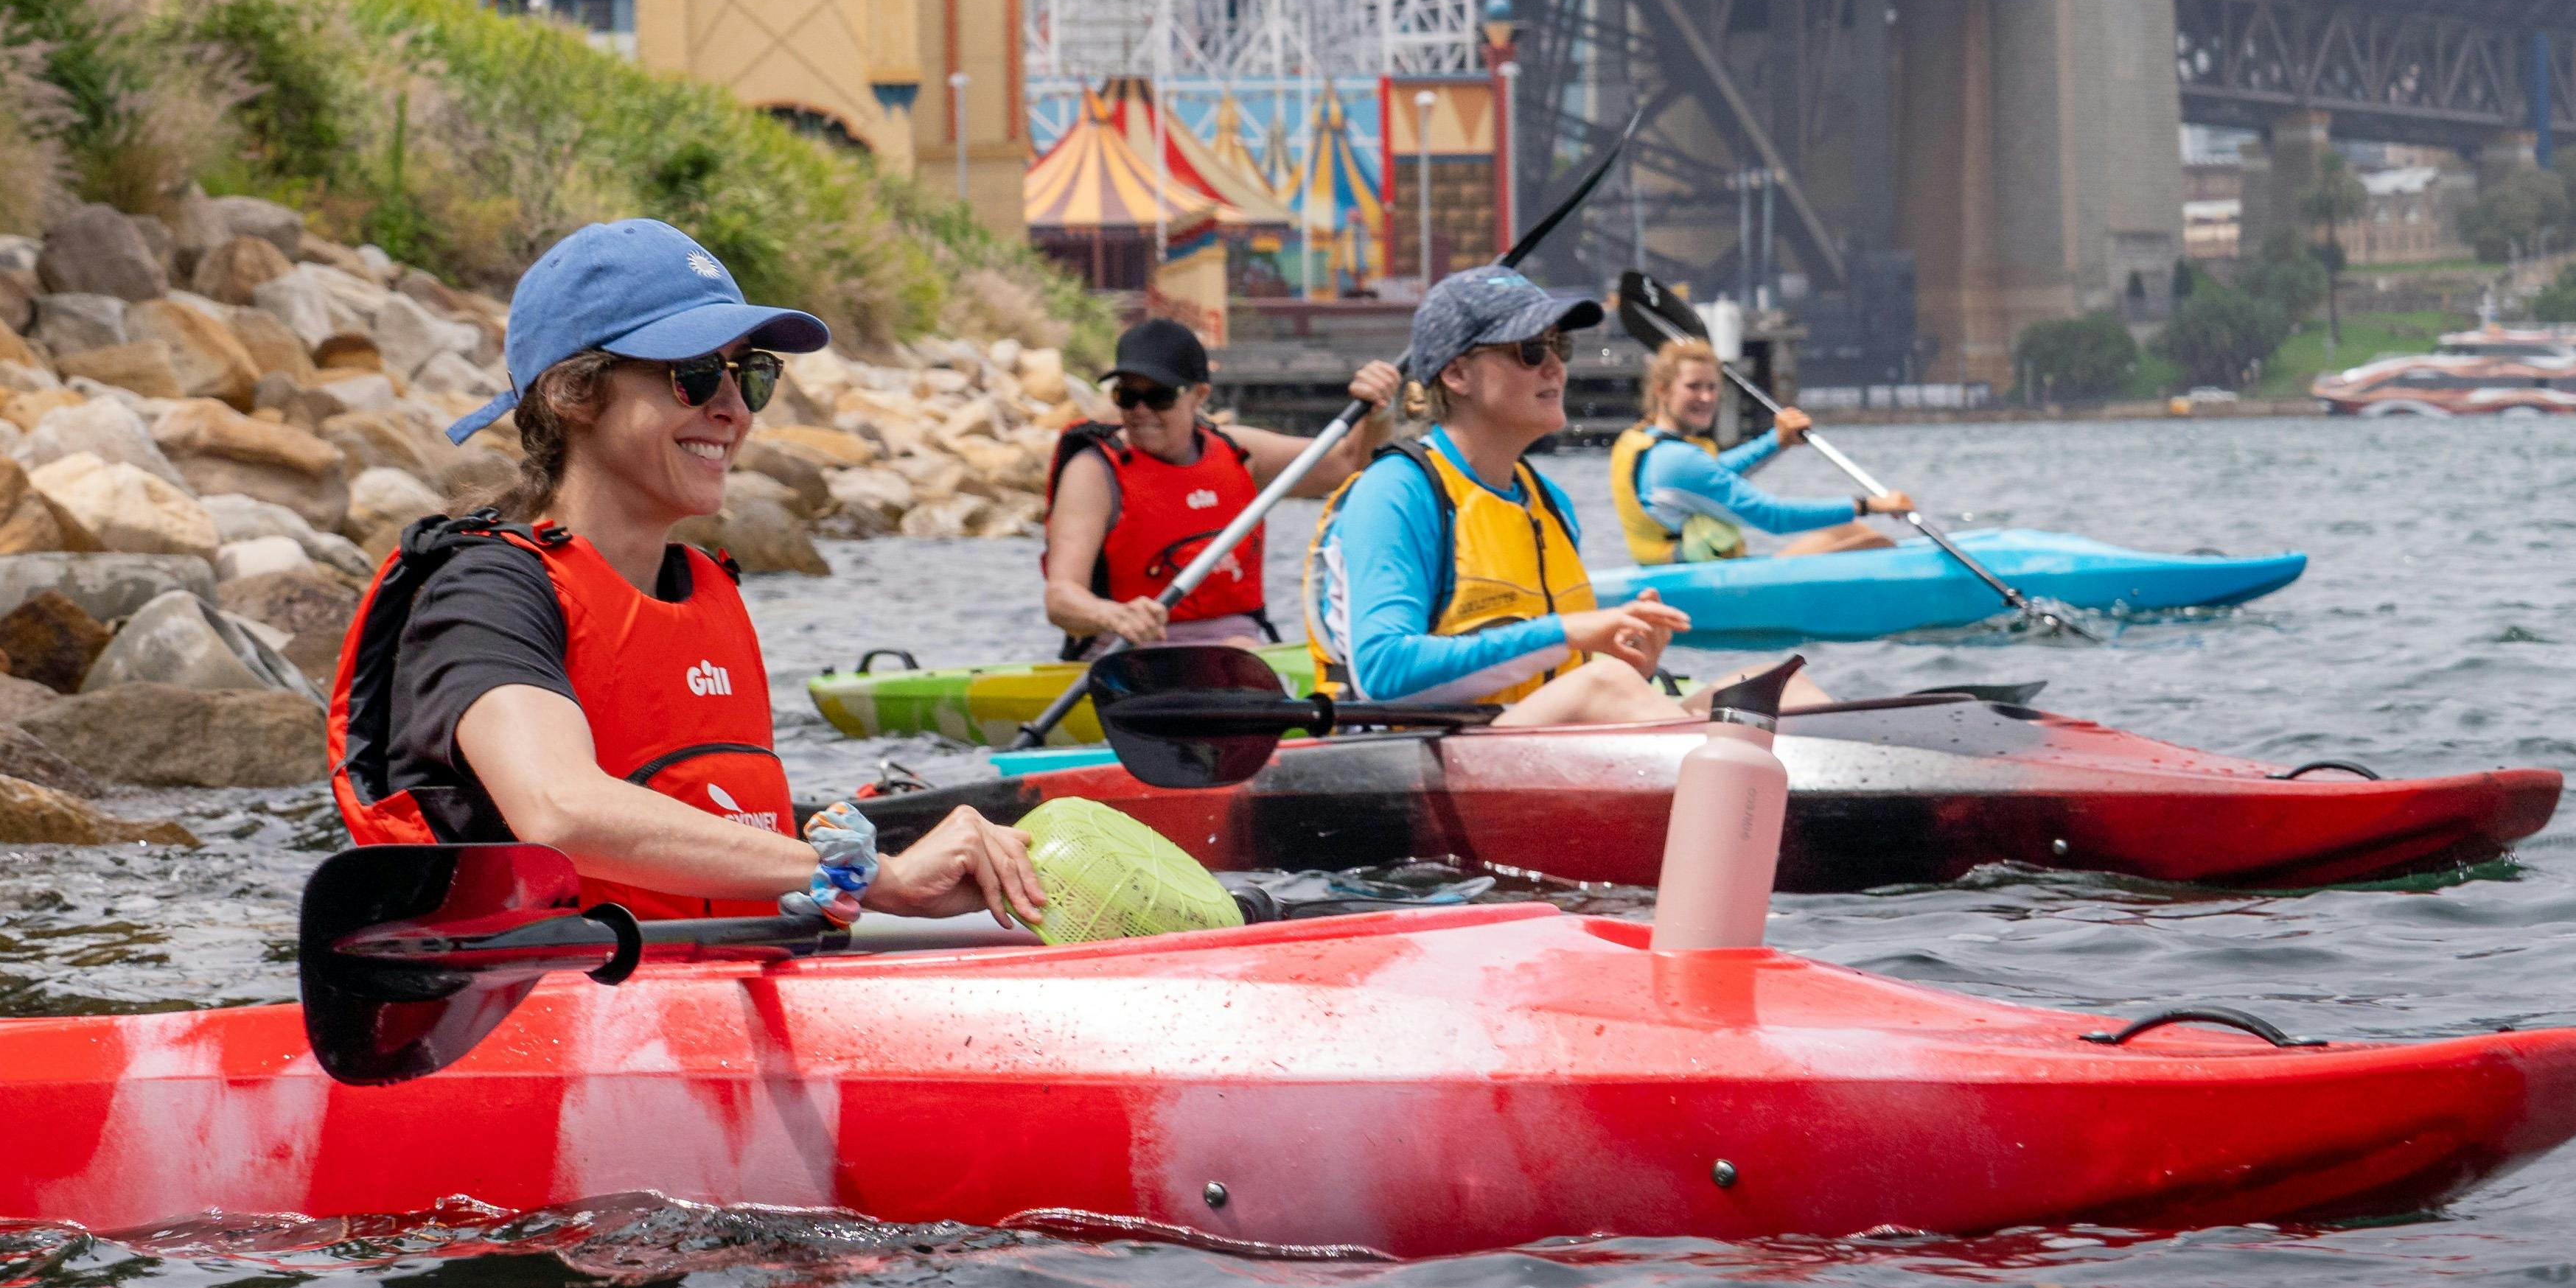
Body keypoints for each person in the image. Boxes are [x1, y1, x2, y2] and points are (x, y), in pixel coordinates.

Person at [326, 219, 1046, 926]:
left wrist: (892, 840)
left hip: (714, 983)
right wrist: (872, 873)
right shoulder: (484, 594)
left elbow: (722, 813)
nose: (731, 407)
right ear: (573, 393)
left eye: (749, 374)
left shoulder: (704, 588)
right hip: (561, 1008)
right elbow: (558, 808)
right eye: (693, 373)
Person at [1307, 265, 1828, 729]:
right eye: (1530, 351)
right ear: (1457, 373)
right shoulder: (1396, 490)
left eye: (1560, 347)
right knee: (1604, 687)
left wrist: (1627, 657)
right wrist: (1570, 633)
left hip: (1535, 737)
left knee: (1781, 687)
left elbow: (1554, 672)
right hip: (1440, 753)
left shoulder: (1547, 499)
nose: (1555, 367)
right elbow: (1383, 672)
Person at [1038, 315, 1403, 652]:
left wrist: (1378, 412)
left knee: (1244, 653)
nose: (1141, 410)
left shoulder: (1240, 453)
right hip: (1129, 653)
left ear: (1199, 395)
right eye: (1128, 396)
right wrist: (1111, 616)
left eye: (1159, 396)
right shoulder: (1094, 472)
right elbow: (1061, 597)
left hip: (1236, 650)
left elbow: (1350, 462)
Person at [1604, 333, 1908, 565]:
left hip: (1689, 574)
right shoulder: (1678, 460)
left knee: (1851, 532)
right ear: (1663, 390)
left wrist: (1777, 441)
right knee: (1873, 541)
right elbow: (1772, 517)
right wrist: (1870, 505)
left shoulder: (1645, 442)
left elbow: (1717, 471)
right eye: (1694, 386)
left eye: (1712, 387)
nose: (1707, 397)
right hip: (1709, 587)